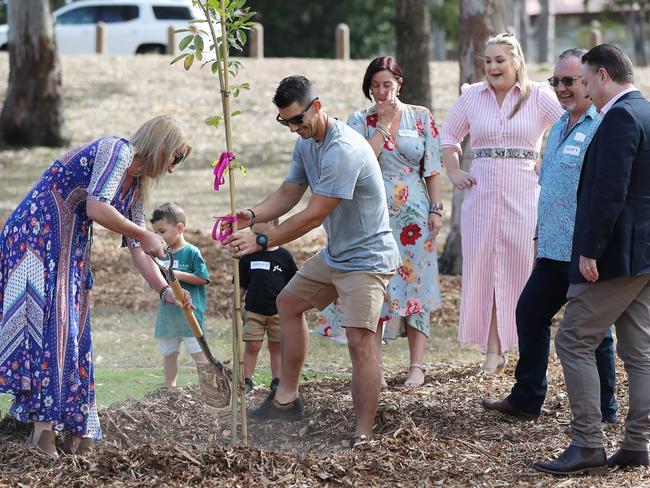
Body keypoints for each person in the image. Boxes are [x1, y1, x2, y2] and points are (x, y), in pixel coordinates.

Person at [0, 115, 193, 458]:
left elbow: (139, 251)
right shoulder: (116, 150)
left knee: (75, 328)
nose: (173, 169)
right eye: (175, 158)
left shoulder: (134, 187)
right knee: (55, 326)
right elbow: (97, 206)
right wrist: (145, 233)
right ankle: (43, 434)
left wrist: (166, 292)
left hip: (69, 244)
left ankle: (78, 429)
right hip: (39, 232)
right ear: (161, 147)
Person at [224, 75, 399, 446]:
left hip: (367, 259)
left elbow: (313, 215)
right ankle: (285, 399)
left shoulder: (344, 149)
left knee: (359, 343)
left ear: (316, 106)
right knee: (288, 302)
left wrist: (261, 240)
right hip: (337, 254)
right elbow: (290, 191)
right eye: (286, 121)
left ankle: (363, 433)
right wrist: (253, 215)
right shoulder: (307, 143)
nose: (293, 128)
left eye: (297, 120)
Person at [481, 49, 617, 421]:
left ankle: (605, 411)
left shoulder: (601, 126)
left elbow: (606, 191)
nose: (561, 88)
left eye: (569, 81)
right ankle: (527, 399)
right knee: (529, 311)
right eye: (555, 81)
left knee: (596, 334)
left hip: (586, 250)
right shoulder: (558, 124)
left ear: (589, 82)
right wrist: (540, 236)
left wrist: (596, 246)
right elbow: (552, 187)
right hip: (553, 249)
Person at [533, 44, 650, 475]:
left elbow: (609, 191)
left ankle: (587, 443)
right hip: (644, 255)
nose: (580, 87)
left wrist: (590, 250)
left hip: (615, 256)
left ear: (601, 75)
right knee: (639, 351)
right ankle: (637, 443)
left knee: (573, 339)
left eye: (582, 80)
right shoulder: (647, 112)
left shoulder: (619, 117)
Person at [440, 33, 564, 372]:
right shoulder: (471, 97)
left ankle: (526, 348)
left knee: (521, 269)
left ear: (516, 62)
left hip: (524, 194)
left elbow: (568, 122)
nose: (493, 66)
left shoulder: (538, 96)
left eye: (500, 60)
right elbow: (448, 137)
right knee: (485, 269)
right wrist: (454, 172)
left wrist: (547, 159)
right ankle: (492, 350)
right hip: (480, 196)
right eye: (488, 60)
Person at [318, 56, 443, 388]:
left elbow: (431, 168)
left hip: (415, 215)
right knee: (375, 286)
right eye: (375, 86)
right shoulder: (358, 121)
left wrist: (437, 209)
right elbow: (359, 162)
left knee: (417, 284)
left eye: (387, 84)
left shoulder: (421, 117)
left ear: (399, 83)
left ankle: (417, 365)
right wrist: (383, 127)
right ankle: (376, 367)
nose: (381, 92)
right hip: (373, 215)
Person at [150, 202, 211, 388]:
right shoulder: (161, 254)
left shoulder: (192, 252)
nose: (158, 236)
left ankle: (209, 389)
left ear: (179, 228)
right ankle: (170, 389)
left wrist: (178, 275)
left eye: (162, 231)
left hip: (190, 314)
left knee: (199, 354)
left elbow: (203, 278)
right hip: (169, 315)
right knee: (169, 353)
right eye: (155, 233)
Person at [239, 219, 298, 393]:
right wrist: (234, 303)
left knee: (277, 346)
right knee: (252, 345)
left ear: (273, 224)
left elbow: (294, 283)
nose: (253, 229)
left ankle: (277, 380)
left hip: (278, 311)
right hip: (254, 311)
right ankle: (246, 379)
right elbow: (241, 283)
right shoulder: (248, 256)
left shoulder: (284, 256)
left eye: (259, 234)